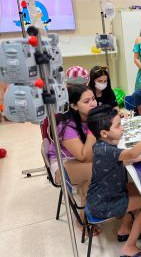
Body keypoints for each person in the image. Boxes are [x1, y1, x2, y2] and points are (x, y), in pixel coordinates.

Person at [87, 105, 141, 257]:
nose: (122, 128)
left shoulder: (101, 145)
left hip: (104, 195)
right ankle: (129, 247)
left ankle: (126, 229)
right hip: (104, 203)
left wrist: (130, 159)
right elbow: (131, 152)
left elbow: (118, 160)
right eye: (118, 125)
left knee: (140, 190)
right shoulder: (106, 149)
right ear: (104, 133)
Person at [47, 85, 99, 234]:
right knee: (94, 169)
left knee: (101, 163)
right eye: (87, 101)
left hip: (77, 160)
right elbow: (84, 156)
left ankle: (93, 207)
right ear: (74, 106)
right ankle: (83, 220)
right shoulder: (66, 125)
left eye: (94, 99)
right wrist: (94, 127)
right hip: (62, 167)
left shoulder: (87, 116)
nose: (93, 103)